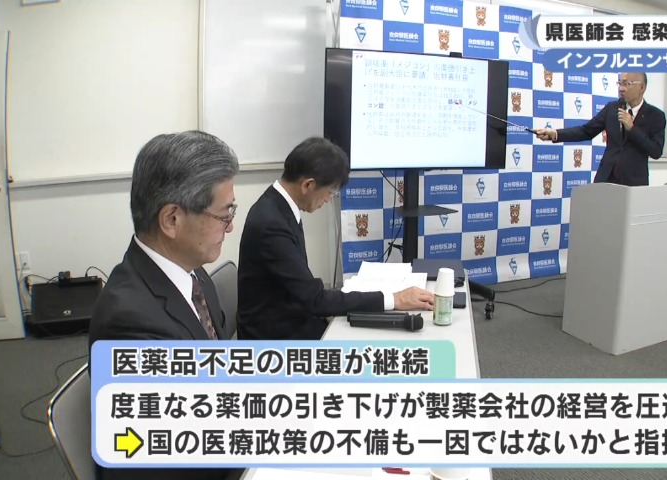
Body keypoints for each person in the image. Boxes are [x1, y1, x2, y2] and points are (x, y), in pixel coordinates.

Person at [88, 131, 243, 480]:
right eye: (224, 215)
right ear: (172, 219)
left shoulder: (192, 273)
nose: (231, 226)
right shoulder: (129, 323)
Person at [237, 136, 434, 340]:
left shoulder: (278, 206)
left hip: (292, 318)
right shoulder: (271, 223)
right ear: (308, 185)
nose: (328, 200)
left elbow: (303, 291)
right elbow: (316, 300)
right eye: (330, 193)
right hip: (274, 339)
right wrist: (394, 299)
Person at [533, 72, 666, 187]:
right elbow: (586, 131)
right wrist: (555, 134)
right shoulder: (612, 108)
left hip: (634, 183)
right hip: (606, 178)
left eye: (626, 84)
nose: (621, 88)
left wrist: (632, 129)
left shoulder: (656, 116)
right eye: (619, 83)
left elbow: (656, 151)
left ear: (642, 87)